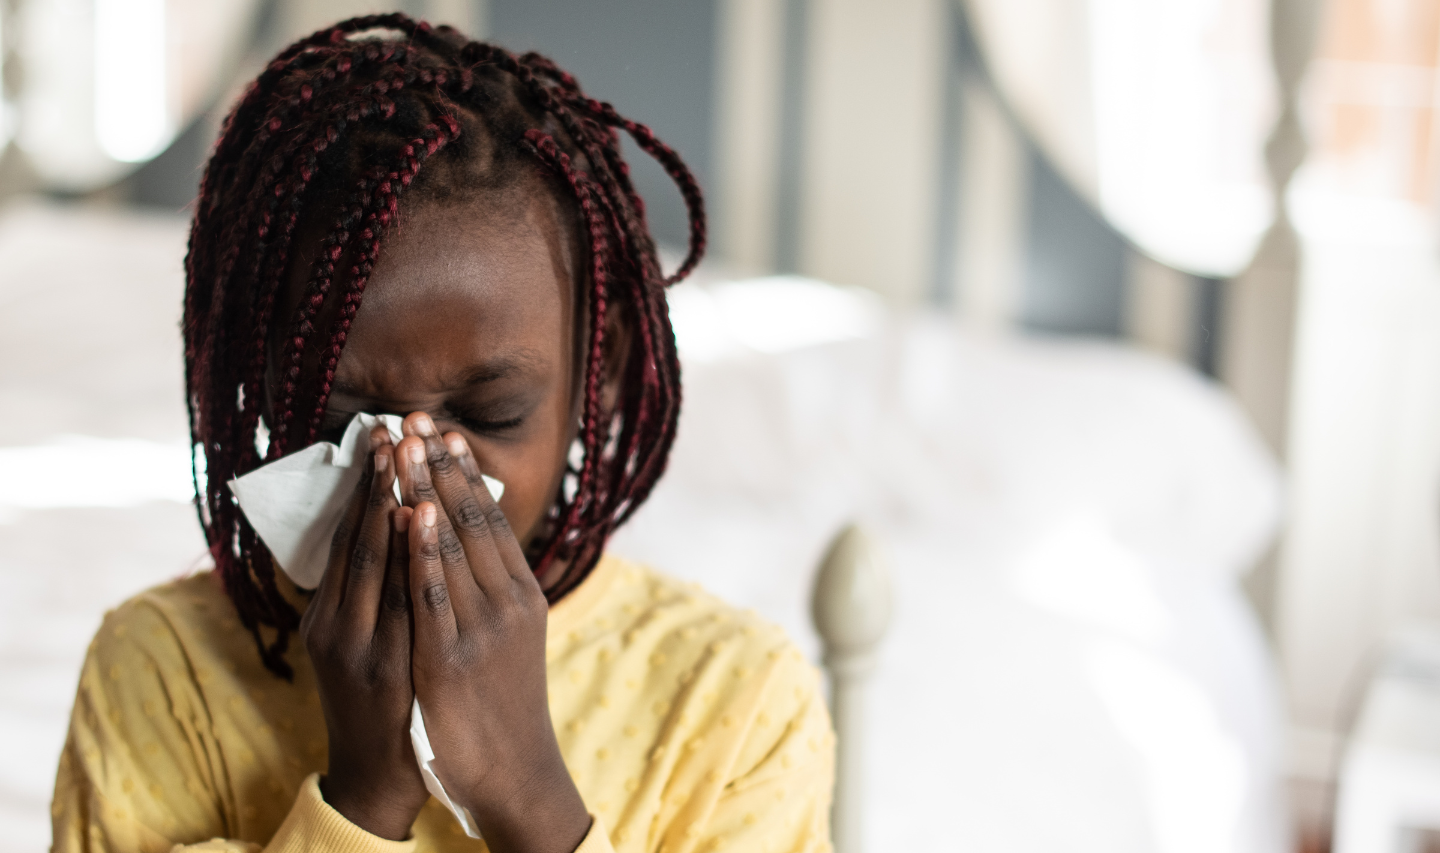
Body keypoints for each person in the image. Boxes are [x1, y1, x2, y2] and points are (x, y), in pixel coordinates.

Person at [50, 15, 834, 853]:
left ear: (598, 368)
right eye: (339, 417)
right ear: (263, 377)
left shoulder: (733, 702)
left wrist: (524, 789)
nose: (410, 470)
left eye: (491, 412)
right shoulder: (163, 672)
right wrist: (364, 794)